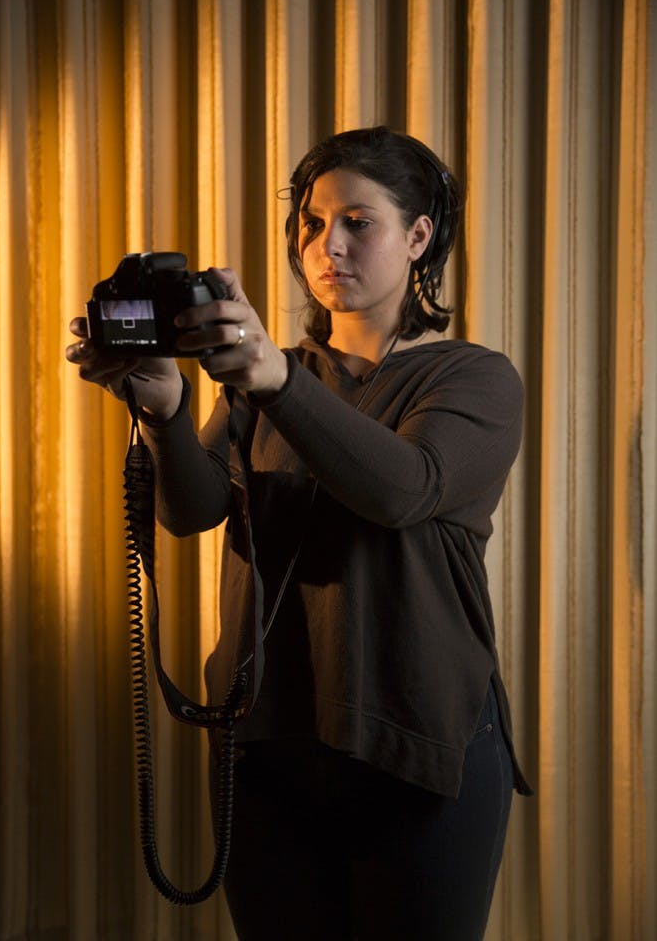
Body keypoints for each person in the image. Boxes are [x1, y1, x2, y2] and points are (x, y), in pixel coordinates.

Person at [66, 126, 531, 939]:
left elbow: (402, 491)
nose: (328, 246)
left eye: (358, 222)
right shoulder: (259, 380)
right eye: (312, 224)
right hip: (268, 739)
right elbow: (190, 511)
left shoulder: (471, 376)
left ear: (418, 236)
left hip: (416, 741)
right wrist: (167, 408)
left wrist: (274, 380)